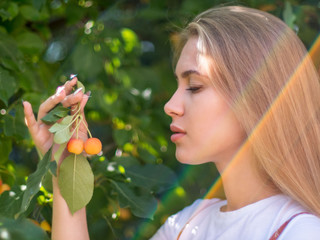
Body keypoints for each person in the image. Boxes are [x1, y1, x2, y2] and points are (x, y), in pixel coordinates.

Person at [23, 5, 320, 240]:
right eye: (178, 85)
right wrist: (65, 168)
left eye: (194, 86)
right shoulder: (187, 226)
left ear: (257, 97)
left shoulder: (300, 232)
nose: (170, 106)